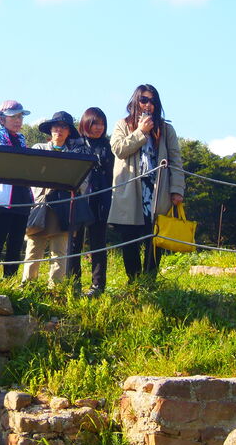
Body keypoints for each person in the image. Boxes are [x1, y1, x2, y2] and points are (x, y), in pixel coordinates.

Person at [107, 85, 185, 280]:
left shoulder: (166, 129)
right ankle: (134, 282)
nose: (148, 105)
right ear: (135, 101)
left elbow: (176, 160)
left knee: (155, 238)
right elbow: (118, 149)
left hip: (158, 190)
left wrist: (177, 189)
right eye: (143, 100)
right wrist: (141, 132)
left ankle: (150, 281)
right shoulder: (122, 125)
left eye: (152, 101)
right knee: (129, 239)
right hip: (131, 189)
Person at [22, 111, 87, 286]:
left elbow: (82, 182)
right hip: (40, 206)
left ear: (68, 132)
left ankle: (55, 290)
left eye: (64, 127)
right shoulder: (39, 149)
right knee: (34, 249)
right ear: (50, 129)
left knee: (60, 253)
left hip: (63, 207)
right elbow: (32, 176)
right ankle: (27, 287)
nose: (59, 130)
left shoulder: (74, 156)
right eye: (56, 126)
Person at [0, 100, 34, 277]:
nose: (18, 121)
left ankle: (10, 279)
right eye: (13, 117)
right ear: (2, 119)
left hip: (22, 198)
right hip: (2, 199)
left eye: (20, 116)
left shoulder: (22, 139)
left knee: (16, 243)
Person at [70, 107, 115, 296]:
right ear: (85, 123)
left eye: (102, 123)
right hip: (78, 199)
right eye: (95, 123)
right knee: (74, 244)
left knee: (98, 243)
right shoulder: (74, 144)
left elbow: (113, 173)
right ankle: (74, 284)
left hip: (100, 199)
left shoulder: (108, 146)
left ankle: (98, 285)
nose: (99, 127)